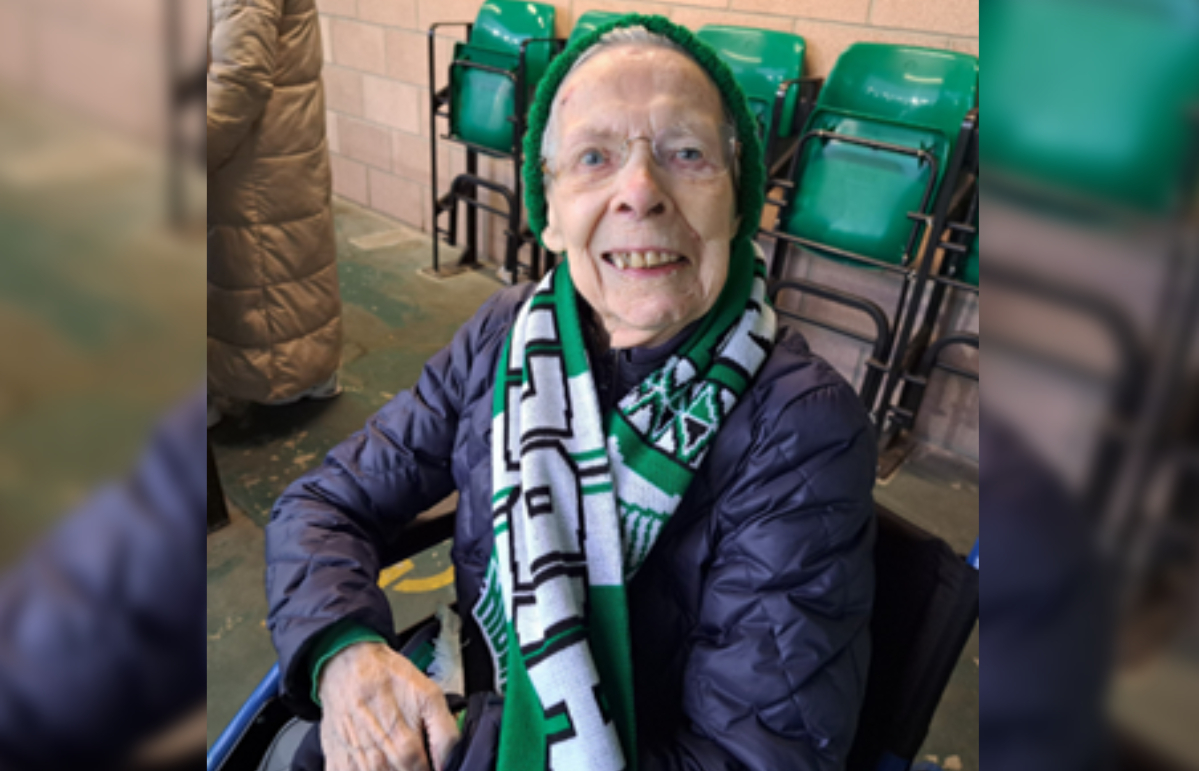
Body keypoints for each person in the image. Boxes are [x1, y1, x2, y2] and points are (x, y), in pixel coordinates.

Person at [266, 15, 876, 771]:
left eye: (685, 153)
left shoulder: (802, 429)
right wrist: (344, 651)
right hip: (472, 687)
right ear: (548, 212)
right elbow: (323, 503)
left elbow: (758, 758)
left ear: (739, 199)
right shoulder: (504, 336)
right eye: (594, 157)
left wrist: (465, 742)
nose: (640, 192)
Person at [207, 0, 344, 426]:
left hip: (255, 154)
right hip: (271, 147)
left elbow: (241, 73)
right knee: (284, 262)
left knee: (264, 270)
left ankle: (284, 380)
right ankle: (304, 373)